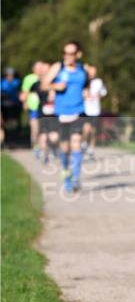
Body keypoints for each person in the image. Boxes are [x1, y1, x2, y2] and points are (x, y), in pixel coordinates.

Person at [42, 42, 89, 193]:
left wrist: (86, 91)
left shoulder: (83, 69)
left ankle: (75, 177)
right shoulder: (58, 67)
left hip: (78, 111)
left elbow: (87, 84)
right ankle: (65, 170)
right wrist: (55, 87)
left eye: (71, 53)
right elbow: (43, 85)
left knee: (76, 144)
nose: (67, 56)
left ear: (78, 54)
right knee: (62, 145)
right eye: (65, 53)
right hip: (61, 112)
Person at [21, 61, 48, 153]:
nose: (40, 69)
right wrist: (25, 102)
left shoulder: (47, 78)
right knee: (35, 127)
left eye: (41, 67)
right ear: (34, 69)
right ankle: (34, 144)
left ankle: (43, 147)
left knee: (43, 128)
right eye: (38, 67)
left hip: (45, 107)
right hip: (33, 107)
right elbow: (25, 92)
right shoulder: (29, 78)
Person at [82, 66, 107, 157]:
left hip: (95, 110)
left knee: (93, 130)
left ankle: (91, 149)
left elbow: (104, 92)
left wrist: (98, 95)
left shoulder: (98, 82)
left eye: (94, 72)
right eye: (90, 72)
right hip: (85, 109)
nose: (92, 74)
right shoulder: (83, 81)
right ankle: (84, 143)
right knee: (86, 128)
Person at [1, 67, 22, 136]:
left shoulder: (17, 82)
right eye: (9, 74)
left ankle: (16, 134)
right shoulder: (2, 82)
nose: (10, 76)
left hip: (16, 104)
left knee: (16, 120)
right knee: (4, 120)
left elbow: (21, 92)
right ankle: (6, 134)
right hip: (4, 104)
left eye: (11, 74)